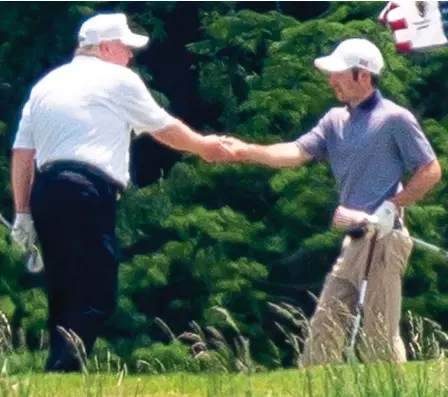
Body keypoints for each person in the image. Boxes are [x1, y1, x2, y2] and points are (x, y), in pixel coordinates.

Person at [10, 12, 230, 372]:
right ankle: (63, 367)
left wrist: (22, 212)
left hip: (47, 190)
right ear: (107, 48)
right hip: (86, 189)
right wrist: (204, 146)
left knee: (63, 287)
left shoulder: (46, 85)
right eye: (126, 48)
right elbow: (163, 128)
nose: (130, 56)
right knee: (98, 293)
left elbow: (22, 155)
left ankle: (60, 366)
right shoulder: (117, 79)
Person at [214, 38, 442, 366]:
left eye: (339, 73)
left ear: (363, 76)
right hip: (357, 235)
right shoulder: (334, 120)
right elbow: (295, 152)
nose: (331, 79)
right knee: (326, 323)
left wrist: (394, 205)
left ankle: (393, 387)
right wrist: (246, 151)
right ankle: (314, 383)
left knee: (379, 330)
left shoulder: (395, 119)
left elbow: (430, 169)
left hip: (388, 236)